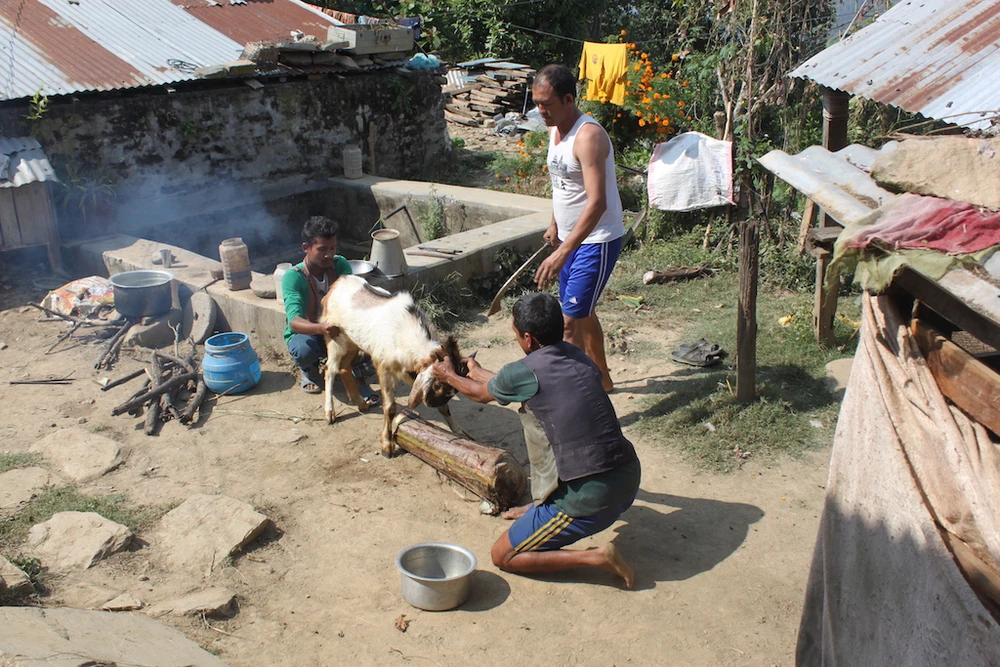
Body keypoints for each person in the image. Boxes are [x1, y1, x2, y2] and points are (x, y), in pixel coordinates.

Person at [431, 292, 640, 588]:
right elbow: (503, 384)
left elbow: (480, 394)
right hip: (628, 476)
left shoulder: (524, 371)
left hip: (592, 499)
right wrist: (476, 371)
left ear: (528, 339)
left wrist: (448, 376)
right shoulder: (576, 355)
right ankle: (542, 507)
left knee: (504, 555)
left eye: (515, 333)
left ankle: (596, 558)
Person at [531, 63, 625, 393]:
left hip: (595, 240)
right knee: (583, 313)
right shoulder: (554, 128)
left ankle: (577, 398)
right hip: (570, 239)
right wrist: (555, 222)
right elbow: (563, 182)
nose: (540, 111)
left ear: (569, 99)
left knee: (568, 323)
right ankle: (602, 379)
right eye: (537, 103)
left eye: (547, 104)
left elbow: (597, 202)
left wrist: (562, 253)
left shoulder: (589, 137)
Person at [282, 215, 379, 403]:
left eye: (333, 248)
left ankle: (359, 380)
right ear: (306, 248)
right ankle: (310, 372)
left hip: (338, 330)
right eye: (322, 249)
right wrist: (321, 328)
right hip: (311, 331)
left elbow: (355, 298)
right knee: (303, 349)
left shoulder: (340, 264)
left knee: (367, 336)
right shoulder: (293, 277)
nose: (329, 254)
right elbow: (294, 322)